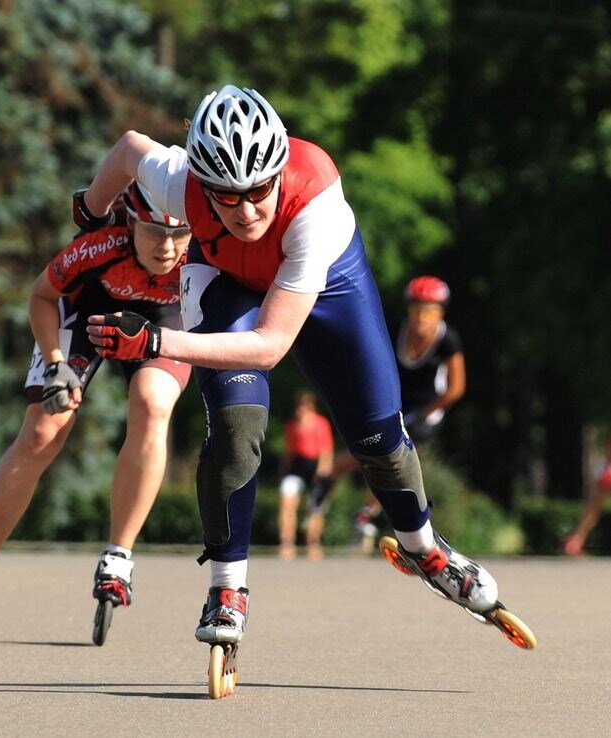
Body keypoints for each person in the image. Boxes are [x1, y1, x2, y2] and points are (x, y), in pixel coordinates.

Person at [82, 84, 505, 648]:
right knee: (236, 425)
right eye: (226, 197)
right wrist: (88, 209)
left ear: (278, 170)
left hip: (329, 283)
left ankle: (423, 547)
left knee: (377, 434)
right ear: (200, 184)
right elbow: (128, 151)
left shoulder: (316, 205)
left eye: (258, 189)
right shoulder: (177, 179)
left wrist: (159, 341)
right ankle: (227, 588)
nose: (247, 209)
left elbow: (269, 345)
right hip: (227, 281)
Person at [0, 182, 192, 624]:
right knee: (44, 429)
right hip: (85, 317)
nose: (167, 246)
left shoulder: (202, 257)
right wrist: (55, 364)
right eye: (154, 231)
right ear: (130, 222)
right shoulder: (101, 246)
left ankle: (118, 557)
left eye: (180, 234)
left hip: (163, 321)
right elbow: (41, 295)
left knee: (152, 404)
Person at [335, 275, 466, 550]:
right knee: (361, 452)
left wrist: (422, 414)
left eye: (429, 311)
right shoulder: (395, 331)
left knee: (400, 453)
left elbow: (455, 388)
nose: (421, 318)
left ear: (440, 312)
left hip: (427, 410)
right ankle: (323, 491)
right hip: (393, 402)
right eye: (416, 309)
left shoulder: (447, 340)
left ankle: (369, 514)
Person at [277, 390, 334, 560]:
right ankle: (286, 542)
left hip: (315, 468)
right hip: (297, 468)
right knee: (287, 502)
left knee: (315, 508)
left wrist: (323, 473)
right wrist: (282, 473)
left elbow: (326, 451)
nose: (300, 411)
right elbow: (288, 453)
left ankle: (313, 543)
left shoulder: (321, 424)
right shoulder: (292, 426)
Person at [563, 434, 611, 556]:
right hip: (607, 469)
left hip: (606, 468)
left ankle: (576, 540)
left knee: (594, 508)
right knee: (594, 508)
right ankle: (575, 541)